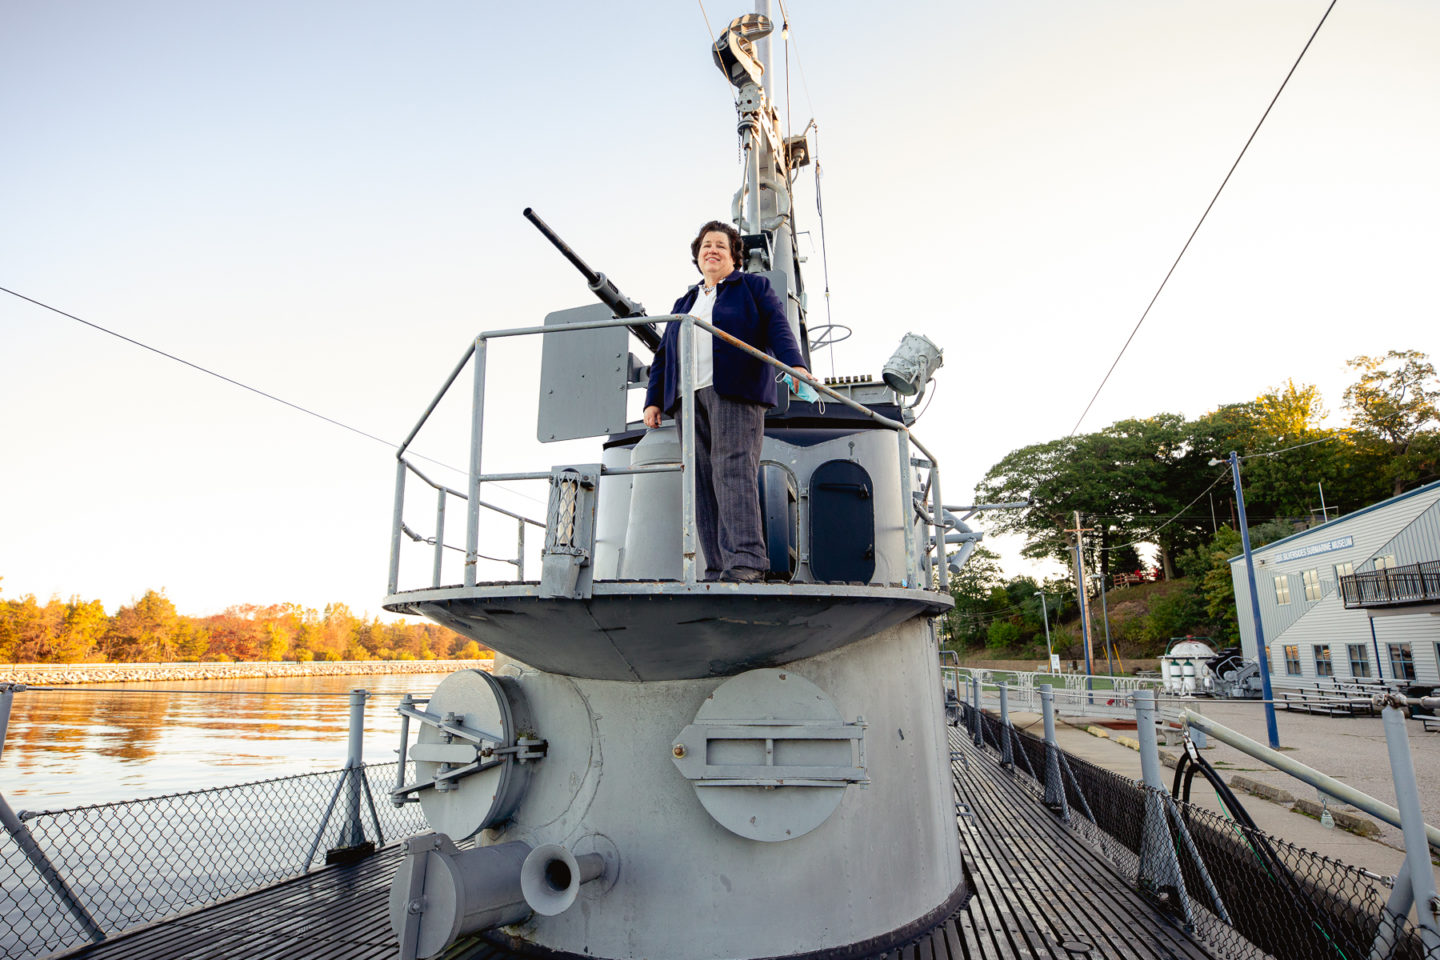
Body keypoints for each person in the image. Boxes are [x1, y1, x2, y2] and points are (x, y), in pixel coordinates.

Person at [643, 220, 811, 582]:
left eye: (720, 245)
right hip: (688, 399)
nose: (712, 250)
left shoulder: (752, 287)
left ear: (734, 255)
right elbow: (663, 356)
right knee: (702, 481)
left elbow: (776, 326)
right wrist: (654, 400)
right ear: (697, 256)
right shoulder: (685, 302)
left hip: (735, 391)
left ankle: (747, 562)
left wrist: (795, 365)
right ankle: (718, 566)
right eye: (706, 246)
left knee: (733, 473)